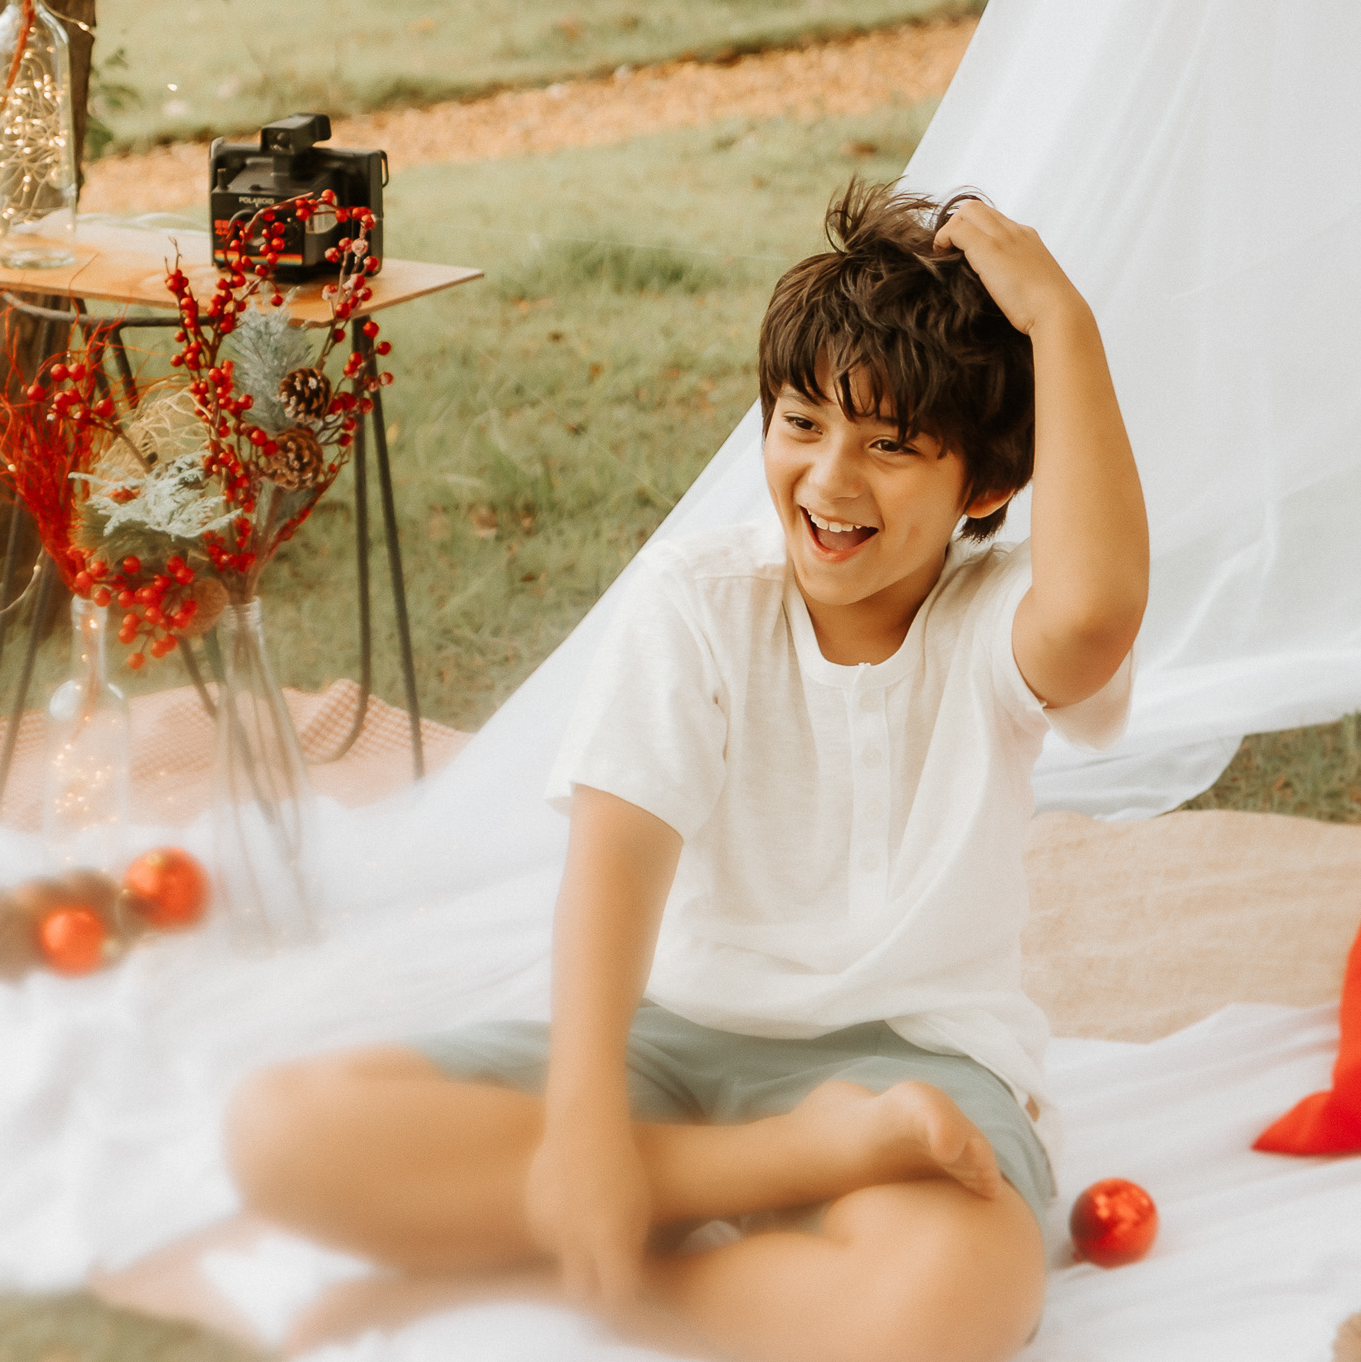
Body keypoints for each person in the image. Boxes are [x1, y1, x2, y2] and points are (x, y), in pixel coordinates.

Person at [227, 183, 1148, 1362]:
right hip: (673, 1043)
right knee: (281, 1132)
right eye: (803, 422)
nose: (830, 480)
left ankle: (578, 1265)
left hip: (913, 1064)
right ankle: (770, 1166)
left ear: (985, 485)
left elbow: (1095, 613)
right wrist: (585, 1133)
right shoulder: (702, 599)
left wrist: (1064, 322)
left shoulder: (996, 619)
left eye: (889, 445)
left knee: (946, 1298)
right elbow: (614, 866)